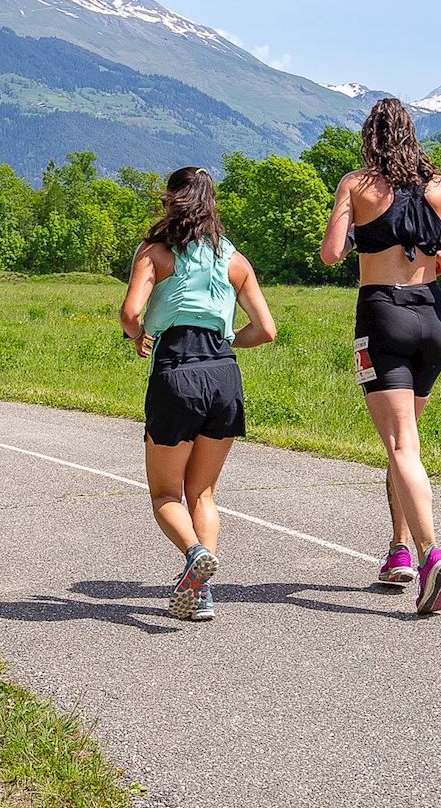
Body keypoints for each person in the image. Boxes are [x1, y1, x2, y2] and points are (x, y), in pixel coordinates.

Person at [320, 98, 441, 615]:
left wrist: (346, 209)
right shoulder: (440, 184)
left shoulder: (357, 183)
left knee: (400, 444)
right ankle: (399, 550)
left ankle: (430, 554)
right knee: (406, 444)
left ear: (370, 136)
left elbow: (332, 253)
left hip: (384, 316)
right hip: (435, 319)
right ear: (412, 133)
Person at [120, 166, 276, 622]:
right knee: (203, 493)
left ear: (171, 200)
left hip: (177, 372)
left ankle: (192, 555)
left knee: (164, 494)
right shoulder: (234, 259)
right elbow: (266, 330)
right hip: (224, 374)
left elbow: (131, 312)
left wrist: (138, 335)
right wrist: (226, 341)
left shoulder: (155, 253)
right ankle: (201, 593)